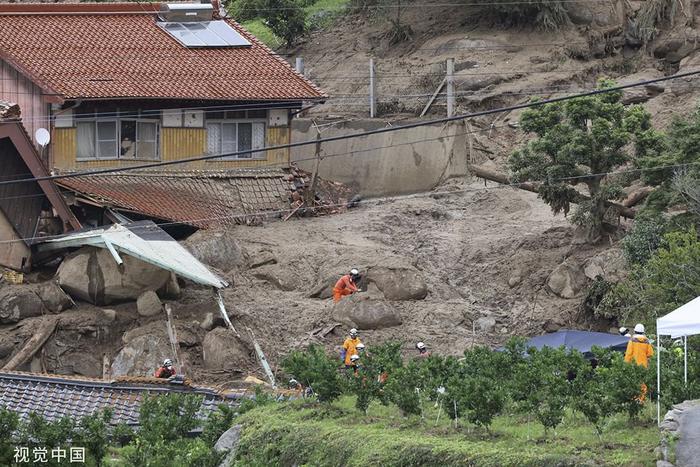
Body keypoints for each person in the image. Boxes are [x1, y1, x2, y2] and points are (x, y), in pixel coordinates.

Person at [624, 323, 654, 403]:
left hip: (634, 365)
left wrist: (626, 364)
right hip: (643, 365)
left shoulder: (632, 340)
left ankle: (634, 399)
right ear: (643, 331)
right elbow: (650, 354)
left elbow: (629, 353)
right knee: (642, 384)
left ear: (635, 331)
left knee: (634, 382)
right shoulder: (646, 341)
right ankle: (641, 400)